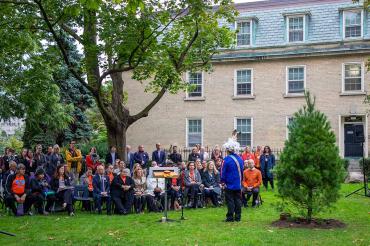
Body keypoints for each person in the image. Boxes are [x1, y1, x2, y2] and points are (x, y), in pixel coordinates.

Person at [221, 136, 244, 222]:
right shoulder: (240, 159)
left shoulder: (226, 159)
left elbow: (223, 172)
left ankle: (230, 217)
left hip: (229, 184)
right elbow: (242, 171)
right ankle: (238, 217)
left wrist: (223, 182)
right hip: (238, 183)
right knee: (238, 200)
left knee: (230, 201)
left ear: (228, 150)